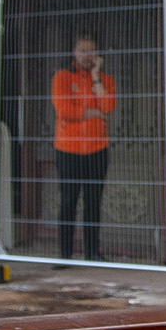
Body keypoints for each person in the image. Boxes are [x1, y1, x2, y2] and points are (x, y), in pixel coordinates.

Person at [51, 31, 116, 263]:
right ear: (74, 53)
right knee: (68, 201)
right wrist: (92, 112)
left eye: (91, 51)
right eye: (83, 50)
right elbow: (64, 110)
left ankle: (92, 253)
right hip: (68, 149)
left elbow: (108, 106)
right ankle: (65, 254)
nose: (87, 56)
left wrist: (96, 77)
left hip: (97, 150)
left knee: (93, 202)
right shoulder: (62, 76)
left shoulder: (105, 80)